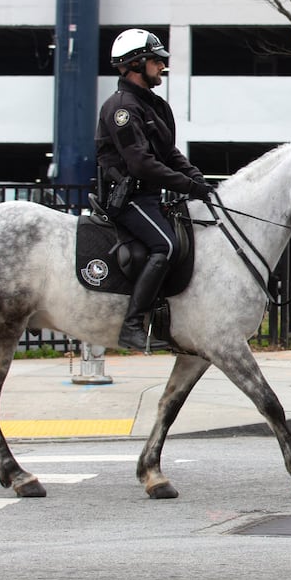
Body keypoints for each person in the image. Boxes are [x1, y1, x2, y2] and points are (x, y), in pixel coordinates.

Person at [95, 29, 214, 351]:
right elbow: (141, 164)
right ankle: (132, 325)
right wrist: (186, 185)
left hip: (148, 197)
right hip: (127, 197)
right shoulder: (121, 108)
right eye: (157, 60)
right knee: (167, 246)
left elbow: (169, 153)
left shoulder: (155, 106)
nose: (162, 65)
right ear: (137, 63)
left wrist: (197, 179)